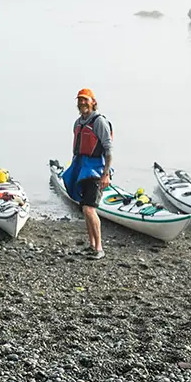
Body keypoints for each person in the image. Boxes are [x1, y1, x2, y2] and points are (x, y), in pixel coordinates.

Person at [60, 88, 113, 260]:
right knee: (85, 208)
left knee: (90, 209)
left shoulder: (99, 122)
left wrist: (106, 174)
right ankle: (91, 246)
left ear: (93, 102)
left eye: (85, 100)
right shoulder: (78, 123)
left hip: (96, 171)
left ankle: (99, 248)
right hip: (82, 169)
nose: (82, 103)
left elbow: (108, 149)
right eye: (80, 100)